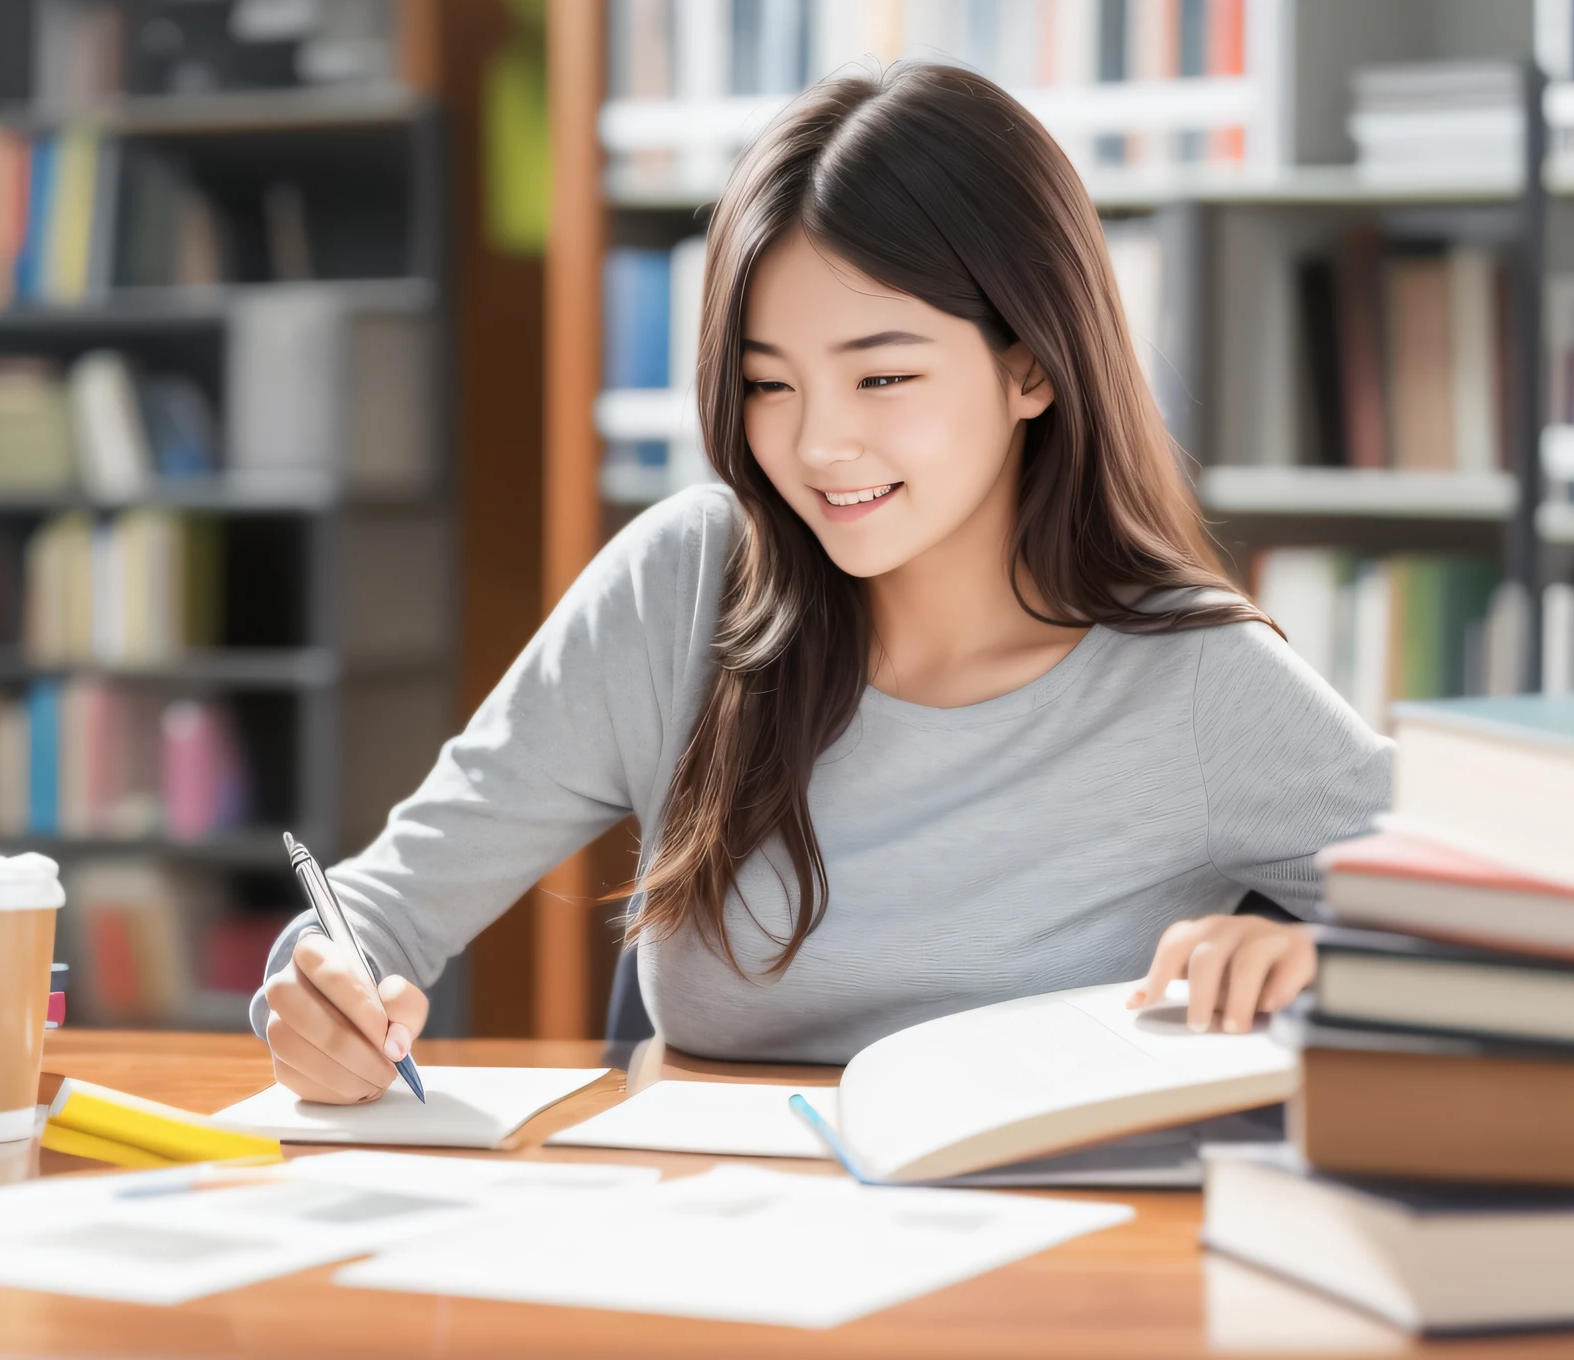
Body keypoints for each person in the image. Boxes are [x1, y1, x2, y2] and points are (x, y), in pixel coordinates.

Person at [255, 63, 1389, 1104]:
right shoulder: (678, 589)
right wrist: (318, 998)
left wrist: (1328, 957)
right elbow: (378, 910)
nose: (818, 446)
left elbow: (1523, 938)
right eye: (769, 385)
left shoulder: (1192, 680)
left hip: (1033, 1272)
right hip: (720, 1251)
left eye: (881, 374)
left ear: (1031, 365)